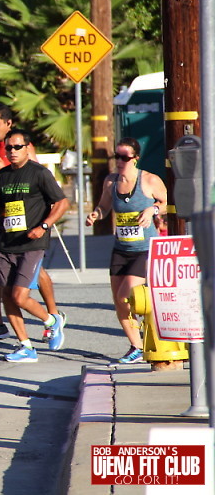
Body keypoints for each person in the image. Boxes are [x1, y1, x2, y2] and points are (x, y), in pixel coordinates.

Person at [0, 129, 69, 362]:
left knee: (19, 296)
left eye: (17, 147)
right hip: (7, 243)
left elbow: (62, 203)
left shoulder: (39, 173)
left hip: (32, 243)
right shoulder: (3, 176)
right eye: (9, 148)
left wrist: (43, 226)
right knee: (7, 295)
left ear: (27, 148)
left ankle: (51, 321)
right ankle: (26, 347)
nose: (12, 151)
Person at [86, 137, 167, 364]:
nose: (119, 161)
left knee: (125, 296)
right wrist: (96, 215)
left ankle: (152, 334)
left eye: (124, 157)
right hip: (121, 249)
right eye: (117, 156)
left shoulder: (149, 180)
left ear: (135, 158)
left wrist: (152, 210)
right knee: (118, 300)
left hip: (145, 249)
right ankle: (136, 346)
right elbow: (104, 206)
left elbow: (167, 201)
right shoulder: (111, 182)